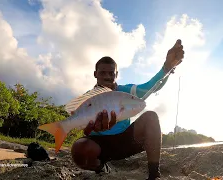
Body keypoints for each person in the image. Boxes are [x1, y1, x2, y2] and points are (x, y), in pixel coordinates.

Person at [71, 39, 185, 180]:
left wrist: (167, 67)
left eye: (111, 73)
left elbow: (151, 86)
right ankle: (101, 167)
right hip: (100, 145)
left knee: (151, 117)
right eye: (102, 73)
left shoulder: (125, 92)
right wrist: (91, 129)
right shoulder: (87, 99)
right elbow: (84, 129)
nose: (107, 76)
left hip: (125, 142)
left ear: (116, 75)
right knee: (79, 148)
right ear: (95, 74)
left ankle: (154, 174)